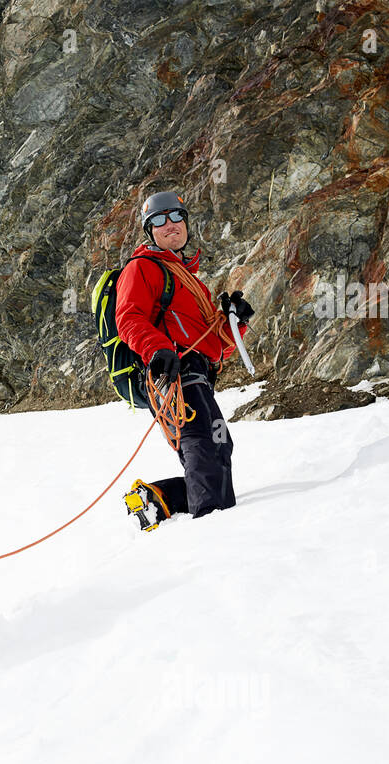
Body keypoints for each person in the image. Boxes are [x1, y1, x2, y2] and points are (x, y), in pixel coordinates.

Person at [114, 190, 254, 527]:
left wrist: (238, 324)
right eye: (158, 220)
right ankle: (212, 527)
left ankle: (155, 499)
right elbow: (129, 317)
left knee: (219, 447)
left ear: (185, 223)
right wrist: (157, 350)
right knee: (203, 444)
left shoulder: (189, 280)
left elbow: (215, 348)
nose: (169, 224)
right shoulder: (142, 268)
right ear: (150, 231)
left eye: (176, 216)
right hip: (172, 372)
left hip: (197, 373)